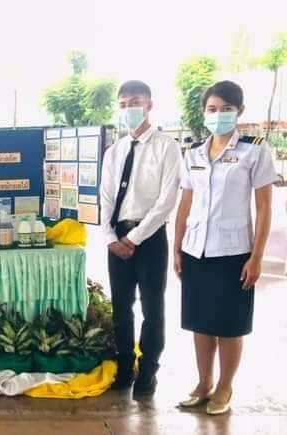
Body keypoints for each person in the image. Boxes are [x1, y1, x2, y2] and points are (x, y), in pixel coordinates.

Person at [174, 81, 276, 415]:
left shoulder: (254, 150)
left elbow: (264, 207)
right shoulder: (193, 153)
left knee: (229, 325)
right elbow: (185, 203)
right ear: (204, 112)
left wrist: (256, 257)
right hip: (196, 250)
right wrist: (177, 248)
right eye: (212, 109)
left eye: (226, 109)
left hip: (234, 253)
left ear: (239, 111)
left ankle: (225, 387)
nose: (219, 115)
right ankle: (204, 383)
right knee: (200, 322)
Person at [99, 81, 182, 396]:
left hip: (149, 238)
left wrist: (134, 238)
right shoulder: (114, 151)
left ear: (149, 105)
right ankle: (124, 366)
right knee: (121, 307)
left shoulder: (166, 146)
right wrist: (110, 238)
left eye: (134, 102)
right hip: (117, 237)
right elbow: (105, 198)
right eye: (122, 104)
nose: (128, 109)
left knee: (152, 308)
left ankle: (148, 371)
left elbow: (166, 201)